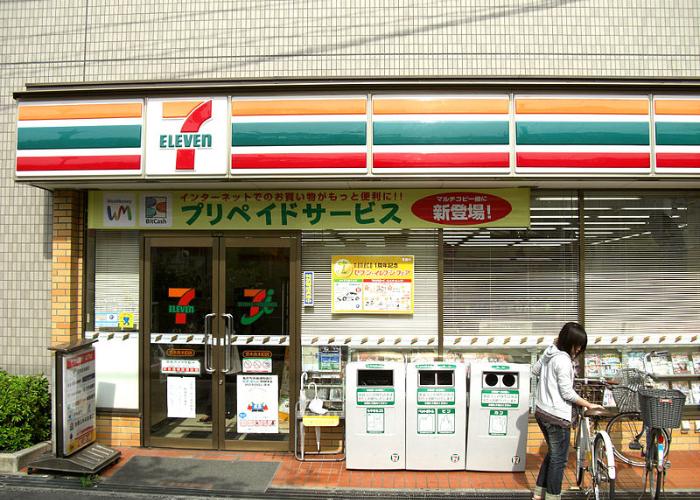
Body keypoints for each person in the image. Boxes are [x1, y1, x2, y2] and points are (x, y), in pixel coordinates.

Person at [531, 322, 604, 500]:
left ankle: (539, 493)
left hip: (542, 412)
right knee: (559, 460)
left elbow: (535, 370)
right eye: (577, 345)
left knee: (552, 454)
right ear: (570, 341)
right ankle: (553, 496)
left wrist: (551, 347)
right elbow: (566, 392)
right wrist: (588, 404)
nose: (578, 349)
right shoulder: (563, 359)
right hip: (556, 416)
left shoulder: (550, 353)